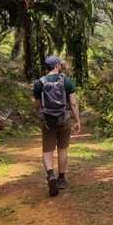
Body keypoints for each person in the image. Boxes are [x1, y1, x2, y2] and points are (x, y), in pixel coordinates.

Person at [33, 56, 81, 196]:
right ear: (57, 66)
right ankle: (61, 178)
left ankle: (50, 175)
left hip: (48, 121)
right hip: (64, 119)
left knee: (47, 151)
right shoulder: (66, 81)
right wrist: (77, 121)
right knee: (62, 149)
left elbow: (37, 106)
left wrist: (41, 115)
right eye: (60, 64)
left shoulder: (39, 83)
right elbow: (73, 104)